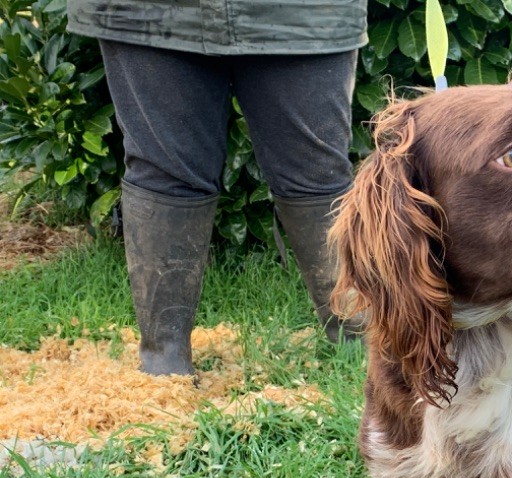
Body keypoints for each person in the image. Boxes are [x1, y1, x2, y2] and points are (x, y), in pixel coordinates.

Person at [66, 0, 367, 376]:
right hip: (148, 12)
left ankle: (362, 348)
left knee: (317, 173)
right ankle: (165, 365)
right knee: (164, 173)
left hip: (303, 13)